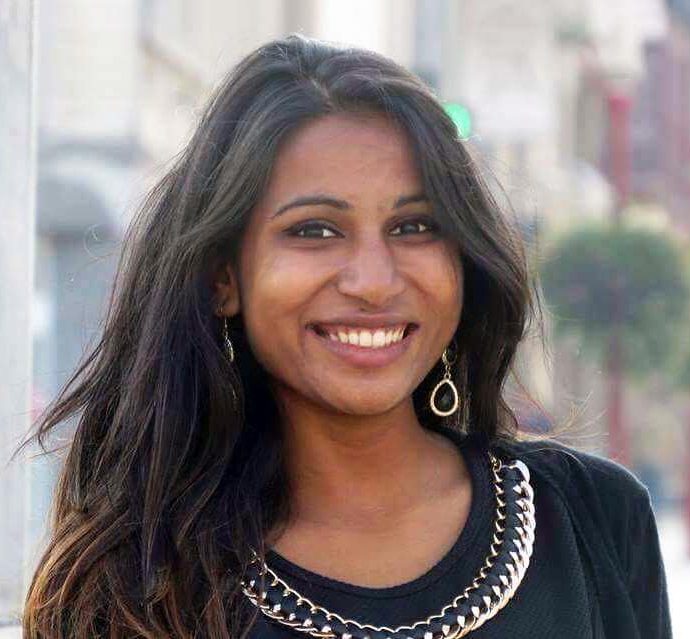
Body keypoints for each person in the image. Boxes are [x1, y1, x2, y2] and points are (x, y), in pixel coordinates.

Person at [20, 34, 672, 639]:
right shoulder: (132, 584)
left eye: (415, 227)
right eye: (314, 230)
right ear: (224, 276)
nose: (373, 281)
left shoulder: (595, 522)